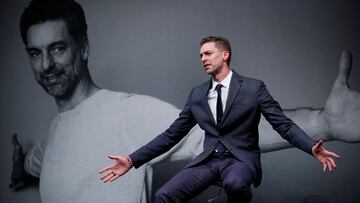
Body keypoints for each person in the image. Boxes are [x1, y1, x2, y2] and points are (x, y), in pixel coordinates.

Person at [10, 0, 360, 202]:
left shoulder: (124, 113)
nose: (47, 65)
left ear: (82, 48)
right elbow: (37, 164)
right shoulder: (55, 133)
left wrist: (323, 123)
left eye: (57, 48)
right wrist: (20, 167)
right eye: (35, 53)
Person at [99, 36, 341, 203]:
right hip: (207, 161)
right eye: (200, 55)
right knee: (163, 196)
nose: (203, 58)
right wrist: (131, 160)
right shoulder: (197, 94)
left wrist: (311, 147)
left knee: (236, 184)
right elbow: (171, 135)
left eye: (208, 53)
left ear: (225, 54)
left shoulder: (254, 88)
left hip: (240, 161)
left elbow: (283, 124)